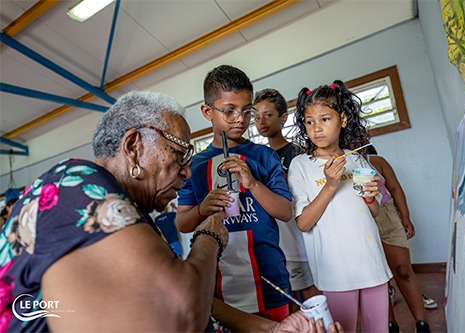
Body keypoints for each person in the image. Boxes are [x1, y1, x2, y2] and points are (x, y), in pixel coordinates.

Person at [0, 90, 343, 333]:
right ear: (134, 148)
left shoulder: (130, 212)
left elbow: (188, 294)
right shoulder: (75, 186)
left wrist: (270, 329)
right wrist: (209, 235)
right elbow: (178, 310)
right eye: (179, 155)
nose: (185, 171)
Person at [176, 65, 294, 322]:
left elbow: (286, 212)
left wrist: (252, 184)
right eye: (229, 111)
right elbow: (182, 224)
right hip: (219, 288)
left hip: (270, 280)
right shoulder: (194, 167)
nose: (240, 119)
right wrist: (201, 209)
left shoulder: (264, 156)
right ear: (208, 111)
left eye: (246, 111)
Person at [288, 81, 393, 332]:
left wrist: (370, 197)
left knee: (378, 329)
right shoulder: (301, 165)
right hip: (335, 270)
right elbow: (303, 223)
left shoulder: (355, 158)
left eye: (325, 119)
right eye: (309, 121)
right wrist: (330, 185)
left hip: (372, 262)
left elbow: (373, 211)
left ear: (343, 119)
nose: (316, 128)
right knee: (341, 328)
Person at [253, 88, 322, 312]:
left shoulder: (299, 153)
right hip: (275, 238)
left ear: (283, 117)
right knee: (287, 298)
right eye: (255, 116)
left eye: (268, 114)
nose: (261, 121)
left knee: (312, 293)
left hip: (300, 237)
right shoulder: (257, 157)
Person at [366, 145, 432, 333]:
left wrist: (405, 217)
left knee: (403, 270)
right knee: (377, 278)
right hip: (361, 220)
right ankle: (390, 325)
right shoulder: (337, 166)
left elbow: (394, 189)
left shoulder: (376, 161)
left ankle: (422, 324)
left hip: (387, 216)